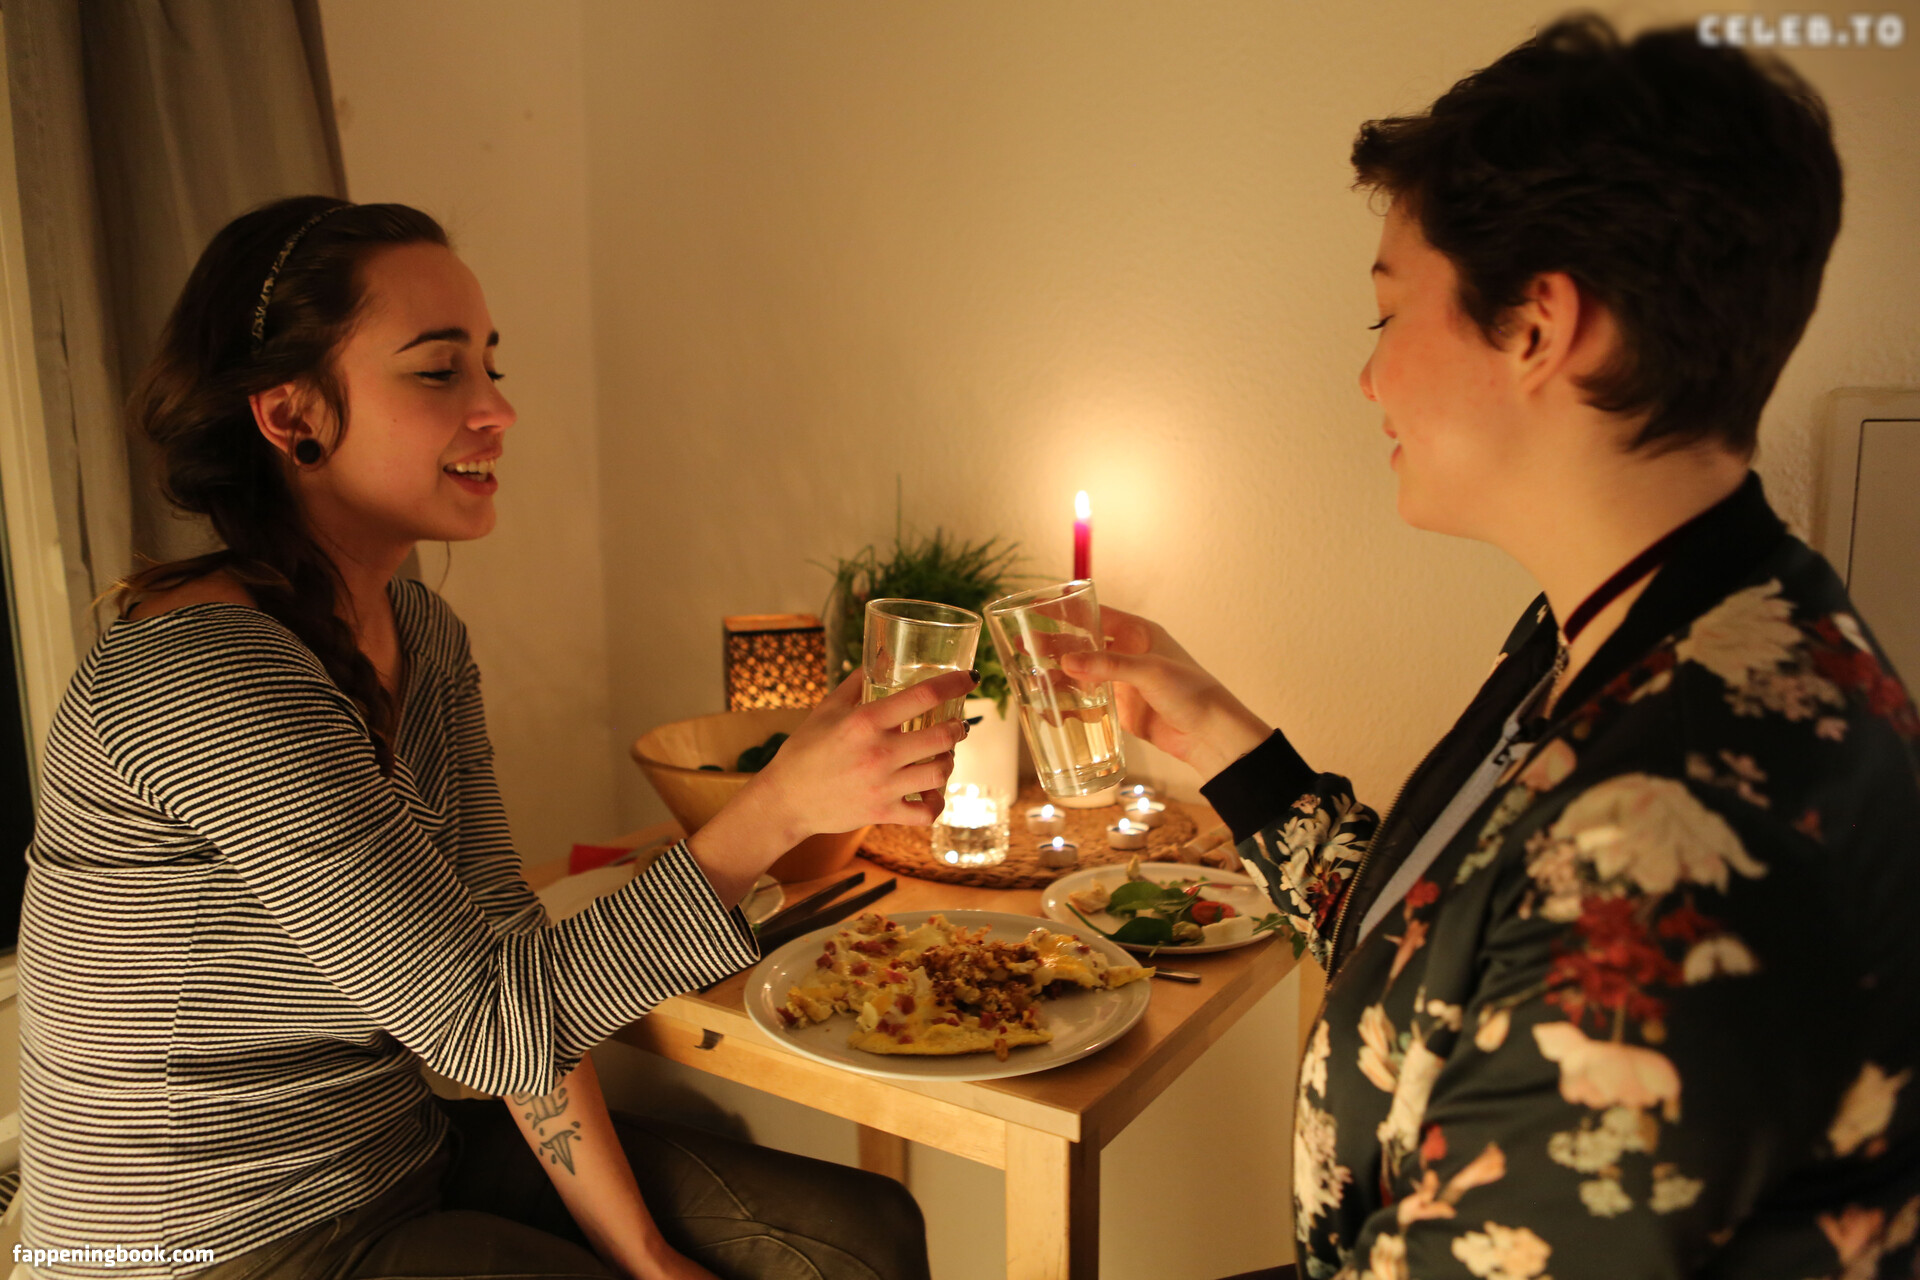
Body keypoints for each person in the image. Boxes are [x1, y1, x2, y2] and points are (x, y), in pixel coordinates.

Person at [1063, 15, 1919, 1280]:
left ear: (1536, 327)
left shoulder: (1672, 832)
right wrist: (1219, 738)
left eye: (1385, 315)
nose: (1369, 382)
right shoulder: (1657, 626)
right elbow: (1451, 951)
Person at [16, 195, 973, 1280]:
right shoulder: (206, 673)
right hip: (199, 1240)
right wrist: (778, 808)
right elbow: (484, 1023)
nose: (498, 409)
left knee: (862, 1237)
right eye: (439, 371)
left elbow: (504, 959)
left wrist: (647, 1253)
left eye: (490, 364)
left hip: (393, 1155)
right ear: (291, 416)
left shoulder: (422, 634)